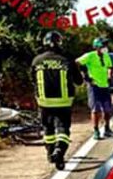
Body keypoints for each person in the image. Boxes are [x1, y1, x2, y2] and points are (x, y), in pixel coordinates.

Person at [31, 31, 83, 170]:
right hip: (64, 102)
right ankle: (59, 151)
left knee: (48, 129)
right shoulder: (67, 59)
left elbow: (33, 80)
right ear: (60, 42)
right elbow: (79, 81)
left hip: (44, 102)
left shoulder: (37, 60)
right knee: (63, 128)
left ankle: (50, 153)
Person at [77, 37, 113, 139]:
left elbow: (110, 66)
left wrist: (109, 76)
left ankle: (107, 129)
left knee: (107, 109)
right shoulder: (89, 56)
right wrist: (85, 75)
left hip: (105, 85)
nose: (105, 48)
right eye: (103, 46)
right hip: (94, 86)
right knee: (95, 109)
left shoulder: (106, 56)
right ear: (97, 46)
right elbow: (77, 63)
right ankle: (96, 130)